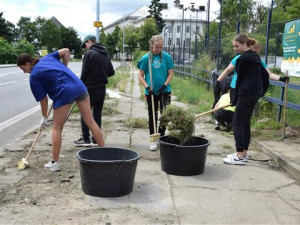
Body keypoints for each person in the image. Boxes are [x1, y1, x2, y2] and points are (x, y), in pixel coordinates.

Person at [17, 48, 105, 171]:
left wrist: (44, 117)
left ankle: (54, 163)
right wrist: (65, 68)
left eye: (23, 69)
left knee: (57, 128)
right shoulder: (48, 58)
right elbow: (66, 51)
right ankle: (105, 154)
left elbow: (43, 99)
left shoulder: (34, 76)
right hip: (79, 86)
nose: (24, 72)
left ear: (28, 63)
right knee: (90, 121)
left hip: (64, 92)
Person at [74, 35, 115, 147]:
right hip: (102, 88)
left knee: (85, 113)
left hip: (89, 88)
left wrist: (79, 88)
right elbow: (111, 72)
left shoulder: (89, 54)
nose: (86, 47)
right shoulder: (105, 53)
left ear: (89, 42)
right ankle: (96, 139)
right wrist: (101, 74)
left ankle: (86, 139)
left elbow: (84, 74)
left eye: (85, 44)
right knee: (97, 114)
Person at [137, 35, 174, 151]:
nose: (159, 49)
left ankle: (161, 137)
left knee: (165, 115)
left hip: (164, 90)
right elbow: (141, 76)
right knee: (153, 115)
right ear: (151, 46)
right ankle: (153, 140)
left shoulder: (167, 58)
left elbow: (170, 74)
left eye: (161, 47)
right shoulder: (145, 59)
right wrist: (147, 87)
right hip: (151, 91)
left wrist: (165, 85)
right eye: (156, 47)